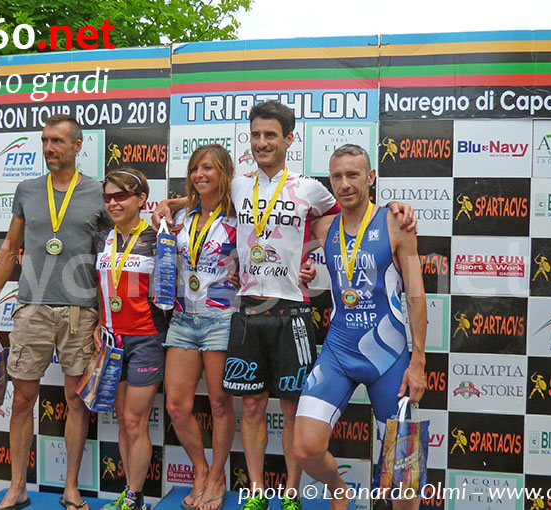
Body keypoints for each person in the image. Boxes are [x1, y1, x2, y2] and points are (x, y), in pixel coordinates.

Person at [154, 101, 417, 510]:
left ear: (289, 139)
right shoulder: (237, 186)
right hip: (248, 309)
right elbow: (199, 196)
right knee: (252, 406)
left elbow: (354, 217)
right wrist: (167, 205)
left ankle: (292, 493)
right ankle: (258, 492)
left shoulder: (310, 188)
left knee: (296, 410)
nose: (262, 142)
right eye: (256, 135)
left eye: (271, 135)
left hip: (293, 309)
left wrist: (395, 208)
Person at [0, 114, 109, 510]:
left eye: (57, 141)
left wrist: (106, 315)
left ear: (77, 145)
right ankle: (17, 487)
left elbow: (112, 254)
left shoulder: (99, 192)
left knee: (76, 400)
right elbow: (9, 247)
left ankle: (71, 488)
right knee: (22, 400)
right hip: (31, 307)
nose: (49, 148)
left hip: (80, 310)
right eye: (44, 141)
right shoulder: (27, 189)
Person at [294, 145, 427, 510]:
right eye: (337, 176)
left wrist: (418, 361)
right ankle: (340, 490)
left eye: (353, 175)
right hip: (339, 351)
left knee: (404, 472)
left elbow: (416, 294)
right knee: (305, 447)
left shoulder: (396, 223)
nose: (345, 184)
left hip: (389, 357)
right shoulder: (323, 227)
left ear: (370, 178)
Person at [163, 145, 238, 510]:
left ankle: (218, 475)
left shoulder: (241, 217)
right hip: (182, 318)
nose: (199, 175)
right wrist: (170, 204)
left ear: (224, 173)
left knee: (220, 404)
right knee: (177, 406)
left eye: (208, 168)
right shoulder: (182, 218)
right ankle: (201, 469)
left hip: (220, 318)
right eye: (194, 169)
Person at [96, 168, 168, 510]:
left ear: (141, 200)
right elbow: (98, 286)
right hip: (112, 341)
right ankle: (129, 492)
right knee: (123, 422)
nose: (113, 203)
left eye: (121, 196)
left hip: (146, 338)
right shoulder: (102, 239)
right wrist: (98, 322)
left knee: (135, 420)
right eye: (108, 197)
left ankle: (135, 497)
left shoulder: (157, 238)